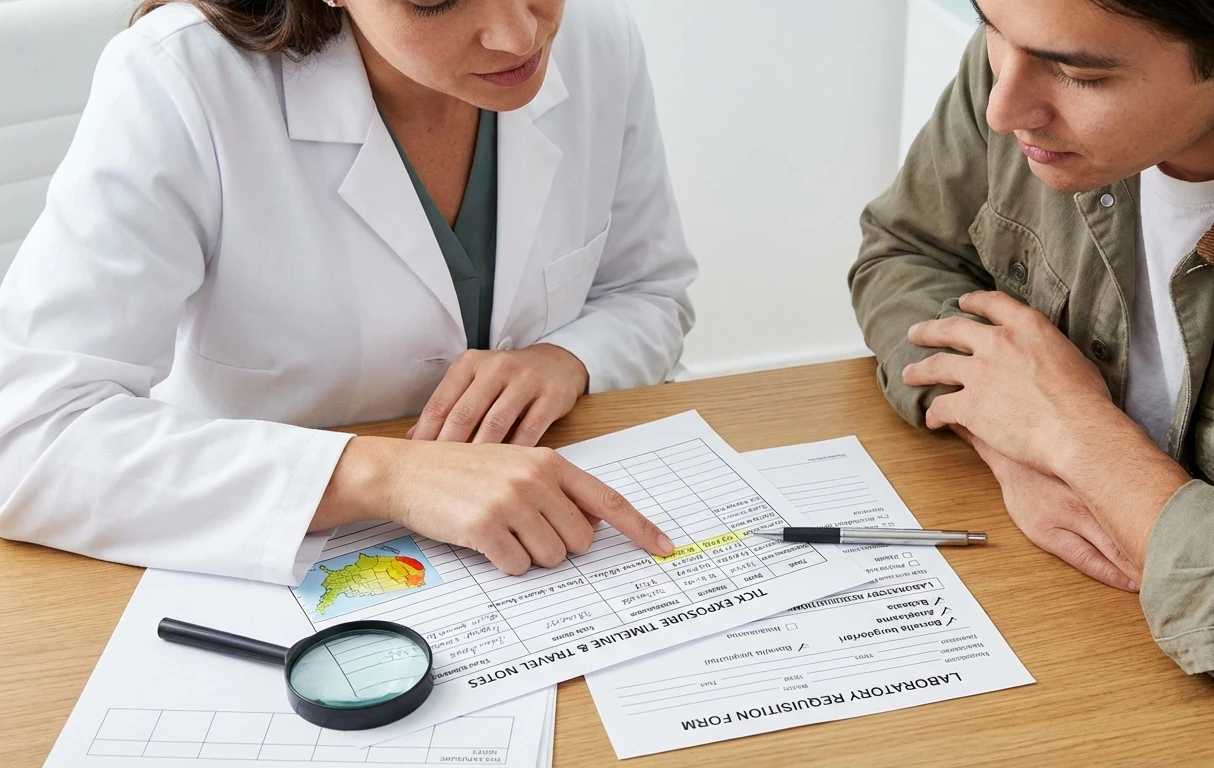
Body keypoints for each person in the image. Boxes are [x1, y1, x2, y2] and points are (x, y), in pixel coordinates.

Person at [850, 0, 1214, 763]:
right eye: (991, 31)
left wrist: (1079, 438)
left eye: (1080, 74)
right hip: (1096, 649)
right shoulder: (1032, 49)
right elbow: (904, 252)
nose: (1002, 105)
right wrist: (1010, 438)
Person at [0, 0, 695, 584]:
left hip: (543, 562)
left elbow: (649, 291)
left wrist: (568, 358)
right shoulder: (180, 80)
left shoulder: (598, 37)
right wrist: (379, 476)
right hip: (283, 564)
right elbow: (29, 435)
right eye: (434, 0)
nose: (518, 33)